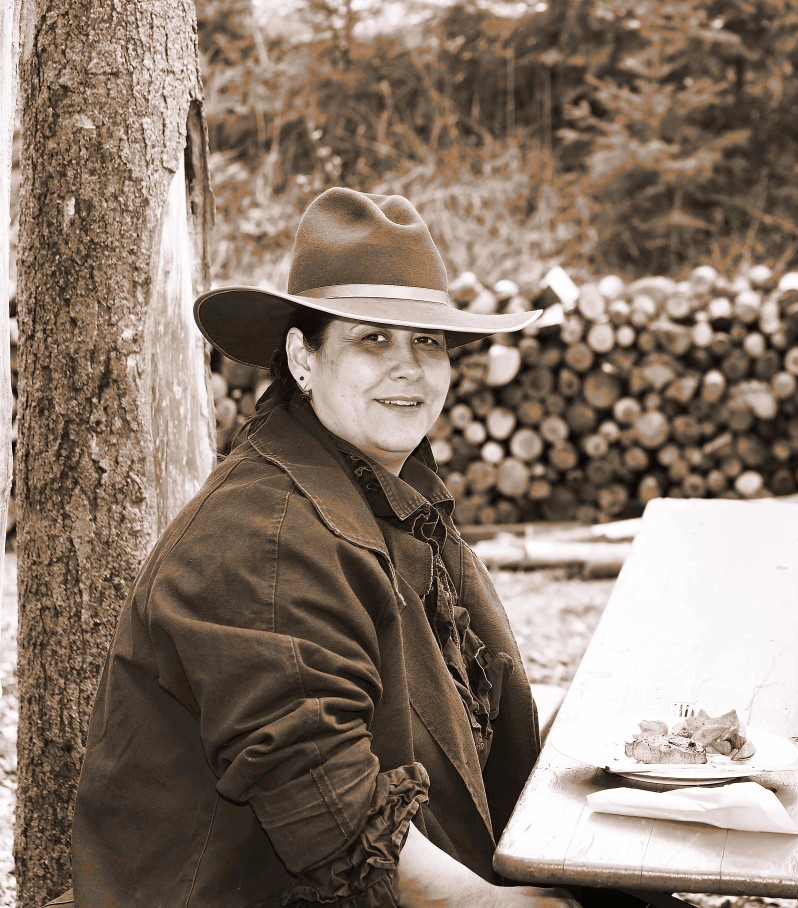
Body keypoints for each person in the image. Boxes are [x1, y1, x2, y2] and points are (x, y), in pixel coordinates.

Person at [69, 187, 582, 906]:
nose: (409, 368)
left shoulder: (383, 489)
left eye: (427, 342)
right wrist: (492, 905)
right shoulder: (263, 535)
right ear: (302, 358)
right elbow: (325, 798)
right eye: (373, 340)